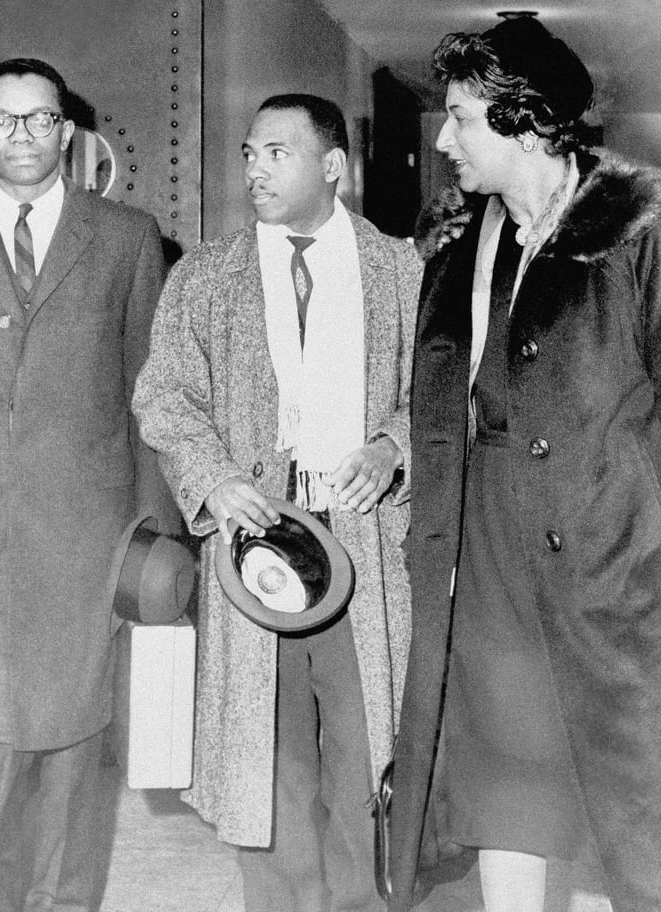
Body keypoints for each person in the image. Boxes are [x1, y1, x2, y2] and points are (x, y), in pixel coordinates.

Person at [388, 15, 661, 912]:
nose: (442, 137)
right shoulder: (462, 243)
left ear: (527, 117)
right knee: (508, 782)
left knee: (616, 807)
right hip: (489, 554)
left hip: (613, 571)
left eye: (461, 116)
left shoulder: (640, 227)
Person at [132, 93, 421, 911]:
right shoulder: (205, 275)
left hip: (363, 546)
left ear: (334, 166)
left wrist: (392, 445)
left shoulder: (401, 270)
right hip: (255, 546)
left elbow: (438, 396)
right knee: (267, 759)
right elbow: (165, 397)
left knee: (369, 755)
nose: (254, 168)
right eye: (250, 152)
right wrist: (215, 478)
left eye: (277, 153)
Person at [0, 57, 169, 912]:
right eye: (4, 120)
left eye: (40, 119)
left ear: (69, 130)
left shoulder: (126, 237)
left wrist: (152, 547)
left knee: (73, 738)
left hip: (89, 537)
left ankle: (63, 902)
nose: (22, 136)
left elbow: (148, 394)